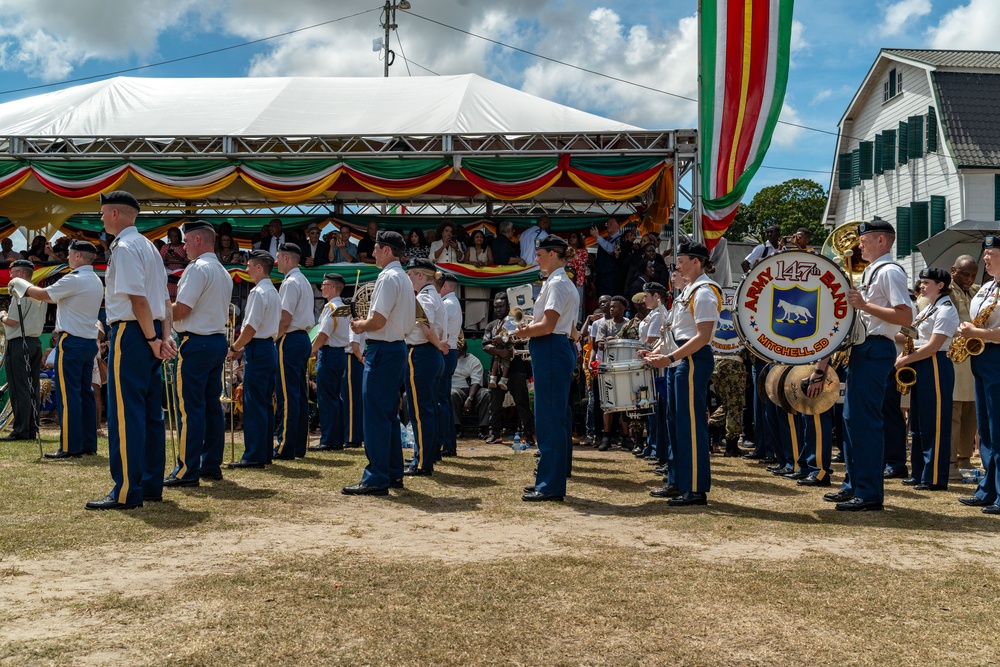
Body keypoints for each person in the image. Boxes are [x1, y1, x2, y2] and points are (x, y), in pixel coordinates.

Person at [86, 191, 175, 511]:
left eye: (101, 213)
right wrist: (163, 337)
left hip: (133, 333)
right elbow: (164, 300)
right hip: (150, 332)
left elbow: (137, 299)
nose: (99, 219)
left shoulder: (123, 248)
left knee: (127, 414)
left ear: (113, 214)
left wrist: (153, 339)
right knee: (151, 414)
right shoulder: (150, 247)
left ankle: (126, 489)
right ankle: (150, 484)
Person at [825, 219, 913, 512]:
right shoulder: (876, 272)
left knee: (865, 421)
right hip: (866, 348)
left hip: (876, 348)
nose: (859, 243)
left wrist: (863, 305)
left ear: (882, 241)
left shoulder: (889, 272)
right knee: (852, 421)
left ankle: (869, 492)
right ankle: (854, 484)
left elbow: (904, 316)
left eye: (865, 239)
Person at [645, 242, 721, 507]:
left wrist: (670, 357)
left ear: (696, 262)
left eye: (681, 260)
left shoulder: (704, 292)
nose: (676, 266)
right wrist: (661, 354)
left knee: (690, 425)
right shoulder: (689, 291)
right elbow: (679, 335)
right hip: (681, 360)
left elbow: (701, 337)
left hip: (692, 360)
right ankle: (677, 481)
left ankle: (695, 488)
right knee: (675, 423)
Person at [13, 242, 103, 458]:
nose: (68, 258)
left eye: (70, 254)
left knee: (69, 394)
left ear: (78, 255)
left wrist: (20, 283)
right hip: (88, 342)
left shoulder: (75, 278)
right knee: (85, 393)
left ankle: (70, 446)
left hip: (71, 341)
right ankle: (87, 443)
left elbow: (44, 294)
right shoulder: (95, 279)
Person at [163, 220, 233, 487]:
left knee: (189, 409)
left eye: (185, 241)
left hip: (196, 341)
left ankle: (186, 469)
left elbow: (182, 310)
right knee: (211, 407)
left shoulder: (197, 268)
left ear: (197, 241)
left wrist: (161, 309)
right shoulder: (222, 271)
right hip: (215, 341)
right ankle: (210, 464)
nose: (182, 248)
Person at [344, 230, 414, 495]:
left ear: (386, 249)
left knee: (375, 416)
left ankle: (376, 477)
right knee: (387, 415)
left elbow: (378, 321)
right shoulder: (404, 278)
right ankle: (392, 472)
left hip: (382, 349)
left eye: (375, 248)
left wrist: (360, 325)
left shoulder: (387, 277)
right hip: (396, 348)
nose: (372, 253)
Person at [515, 235, 579, 502]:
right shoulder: (563, 283)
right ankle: (553, 476)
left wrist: (522, 331)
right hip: (557, 347)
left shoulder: (557, 284)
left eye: (539, 254)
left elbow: (547, 325)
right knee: (557, 416)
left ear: (553, 254)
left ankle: (550, 484)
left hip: (551, 346)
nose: (536, 258)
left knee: (549, 418)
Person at [894, 267, 958, 491]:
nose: (921, 286)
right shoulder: (927, 308)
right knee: (919, 422)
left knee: (935, 423)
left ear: (940, 285)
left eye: (927, 282)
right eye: (921, 282)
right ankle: (919, 472)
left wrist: (904, 360)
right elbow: (909, 333)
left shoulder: (946, 309)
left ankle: (934, 477)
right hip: (919, 362)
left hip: (935, 363)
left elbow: (932, 346)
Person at [958, 235, 1000, 515]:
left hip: (997, 355)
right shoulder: (986, 287)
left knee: (998, 425)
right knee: (985, 428)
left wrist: (976, 332)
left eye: (991, 253)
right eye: (985, 253)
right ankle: (988, 488)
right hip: (981, 356)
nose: (985, 257)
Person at [227, 250, 280, 469]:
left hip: (258, 347)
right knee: (265, 403)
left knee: (254, 403)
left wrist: (234, 348)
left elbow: (250, 327)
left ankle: (254, 455)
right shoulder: (273, 291)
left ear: (259, 268)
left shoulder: (259, 292)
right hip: (267, 346)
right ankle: (264, 452)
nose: (246, 269)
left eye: (249, 266)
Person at [402, 258, 448, 477]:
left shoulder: (424, 297)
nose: (408, 278)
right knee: (427, 408)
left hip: (422, 352)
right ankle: (425, 455)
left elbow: (425, 326)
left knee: (420, 411)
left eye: (410, 274)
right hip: (430, 353)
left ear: (420, 275)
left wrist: (437, 342)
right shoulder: (433, 295)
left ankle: (422, 462)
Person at [272, 243, 315, 460]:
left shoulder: (290, 283)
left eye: (278, 257)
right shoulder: (304, 280)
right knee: (298, 394)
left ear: (287, 259)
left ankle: (285, 446)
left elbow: (284, 318)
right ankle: (298, 446)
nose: (276, 261)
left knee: (287, 395)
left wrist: (274, 339)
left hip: (289, 338)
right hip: (302, 338)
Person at [1, 259, 46, 442]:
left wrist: (2, 315)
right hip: (34, 342)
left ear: (20, 274)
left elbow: (12, 321)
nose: (10, 276)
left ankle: (21, 430)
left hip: (20, 342)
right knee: (31, 387)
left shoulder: (20, 293)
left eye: (13, 273)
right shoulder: (38, 292)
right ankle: (30, 427)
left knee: (19, 388)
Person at [482, 293, 534, 445]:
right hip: (497, 369)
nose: (498, 309)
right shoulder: (491, 325)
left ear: (508, 307)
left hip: (517, 366)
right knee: (494, 402)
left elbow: (524, 338)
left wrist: (506, 340)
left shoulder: (517, 322)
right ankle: (494, 433)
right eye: (496, 307)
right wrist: (501, 352)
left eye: (501, 306)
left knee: (522, 402)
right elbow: (485, 345)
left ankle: (528, 434)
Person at [308, 273, 351, 452]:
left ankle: (329, 440)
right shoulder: (343, 307)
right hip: (339, 353)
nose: (321, 287)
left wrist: (310, 352)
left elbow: (323, 334)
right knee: (335, 397)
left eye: (324, 284)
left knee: (326, 399)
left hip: (329, 353)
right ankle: (336, 438)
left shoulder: (331, 307)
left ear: (332, 287)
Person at [948, 255, 979, 479]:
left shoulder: (979, 291)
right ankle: (949, 463)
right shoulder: (945, 290)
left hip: (976, 359)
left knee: (971, 412)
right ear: (953, 271)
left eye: (972, 275)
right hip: (954, 359)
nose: (969, 279)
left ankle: (965, 459)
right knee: (954, 412)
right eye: (965, 274)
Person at [437, 272, 463, 457]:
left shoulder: (446, 304)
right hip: (451, 351)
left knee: (440, 400)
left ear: (445, 286)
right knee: (443, 400)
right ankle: (447, 443)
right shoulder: (453, 302)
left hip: (445, 351)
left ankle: (445, 443)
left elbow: (439, 331)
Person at [451, 340, 489, 437]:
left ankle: (483, 428)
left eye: (459, 349)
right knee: (453, 394)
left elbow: (476, 382)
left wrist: (470, 398)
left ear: (464, 349)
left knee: (486, 393)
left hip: (470, 391)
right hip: (454, 391)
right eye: (455, 349)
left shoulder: (473, 361)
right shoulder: (447, 359)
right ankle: (456, 428)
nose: (457, 351)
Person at [344, 326, 366, 448]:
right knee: (352, 400)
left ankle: (352, 437)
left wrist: (360, 358)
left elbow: (354, 345)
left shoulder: (355, 323)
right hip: (353, 359)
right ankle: (353, 435)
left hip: (352, 358)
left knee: (351, 401)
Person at [590, 217, 622, 298]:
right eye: (607, 224)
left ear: (618, 226)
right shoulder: (605, 240)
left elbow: (611, 249)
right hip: (600, 276)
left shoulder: (621, 239)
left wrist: (597, 237)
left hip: (612, 276)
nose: (608, 226)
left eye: (611, 223)